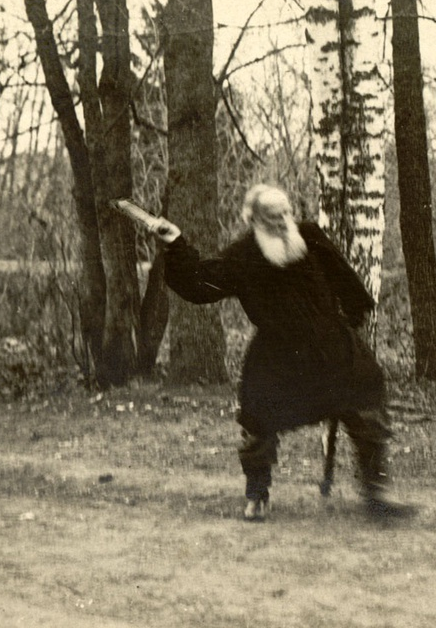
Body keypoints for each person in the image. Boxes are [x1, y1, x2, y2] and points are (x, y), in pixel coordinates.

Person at [150, 184, 414, 522]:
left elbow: (344, 278)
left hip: (330, 347)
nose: (281, 220)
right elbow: (201, 284)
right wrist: (175, 245)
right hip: (278, 355)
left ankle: (377, 494)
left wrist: (353, 315)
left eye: (285, 213)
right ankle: (257, 495)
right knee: (257, 414)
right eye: (271, 216)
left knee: (367, 395)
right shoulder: (243, 255)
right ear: (253, 219)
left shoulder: (310, 237)